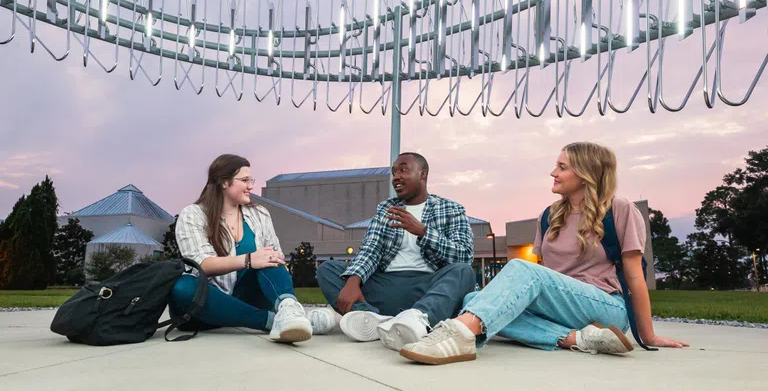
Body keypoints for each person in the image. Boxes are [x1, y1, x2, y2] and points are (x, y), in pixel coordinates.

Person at [399, 142, 689, 365]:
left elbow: (635, 276)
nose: (553, 173)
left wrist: (647, 336)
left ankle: (458, 335)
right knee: (474, 299)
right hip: (560, 309)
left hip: (605, 307)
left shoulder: (619, 210)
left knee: (518, 273)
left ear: (587, 173)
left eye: (562, 167)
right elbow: (543, 280)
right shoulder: (549, 217)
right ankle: (578, 339)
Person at [316, 152, 476, 352]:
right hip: (386, 286)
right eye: (393, 173)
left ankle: (417, 319)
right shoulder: (386, 208)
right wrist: (353, 279)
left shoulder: (450, 208)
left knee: (463, 272)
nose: (396, 177)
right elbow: (370, 249)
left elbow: (464, 255)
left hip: (428, 287)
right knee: (328, 270)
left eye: (403, 170)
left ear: (423, 174)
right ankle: (371, 319)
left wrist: (423, 232)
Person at [171, 154, 337, 342]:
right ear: (224, 182)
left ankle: (289, 308)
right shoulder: (193, 215)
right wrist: (249, 260)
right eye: (244, 180)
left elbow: (276, 256)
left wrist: (262, 258)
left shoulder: (259, 214)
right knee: (182, 287)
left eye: (251, 180)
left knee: (269, 258)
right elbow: (201, 263)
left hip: (248, 297)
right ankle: (275, 322)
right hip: (207, 305)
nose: (251, 186)